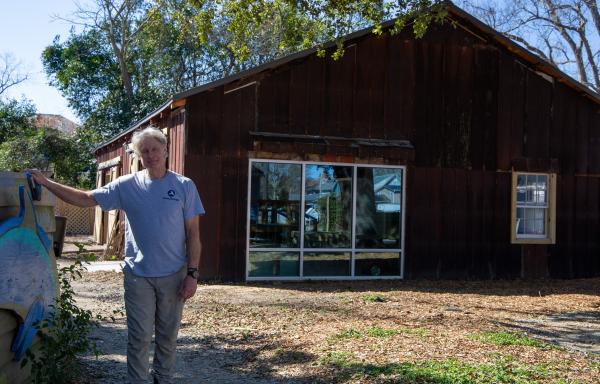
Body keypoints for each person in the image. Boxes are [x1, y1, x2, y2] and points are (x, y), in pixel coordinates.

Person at [28, 126, 205, 384]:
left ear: (165, 150)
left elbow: (193, 235)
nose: (151, 154)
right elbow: (86, 198)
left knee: (168, 337)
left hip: (174, 275)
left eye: (155, 149)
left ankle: (163, 380)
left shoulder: (184, 186)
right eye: (144, 151)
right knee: (140, 337)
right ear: (138, 156)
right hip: (138, 276)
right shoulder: (127, 186)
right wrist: (46, 183)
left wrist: (192, 273)